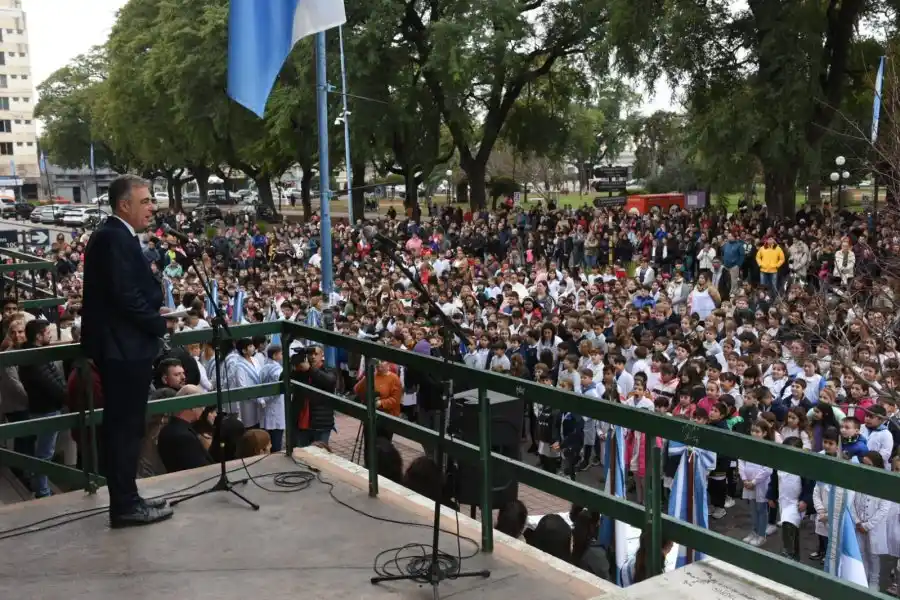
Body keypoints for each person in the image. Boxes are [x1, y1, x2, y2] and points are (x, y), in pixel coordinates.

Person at [81, 174, 174, 528]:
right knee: (124, 429)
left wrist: (155, 313)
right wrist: (158, 322)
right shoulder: (113, 238)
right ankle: (124, 505)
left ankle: (129, 497)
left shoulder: (117, 236)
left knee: (128, 428)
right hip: (122, 349)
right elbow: (126, 298)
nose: (153, 207)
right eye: (146, 201)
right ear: (124, 204)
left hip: (125, 345)